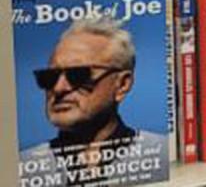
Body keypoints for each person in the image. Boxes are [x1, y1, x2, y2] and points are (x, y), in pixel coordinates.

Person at [19, 16, 166, 184]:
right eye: (49, 77)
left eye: (78, 75)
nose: (59, 88)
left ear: (122, 84)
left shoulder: (161, 154)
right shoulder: (23, 168)